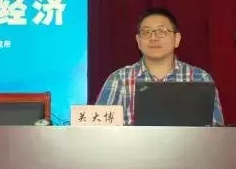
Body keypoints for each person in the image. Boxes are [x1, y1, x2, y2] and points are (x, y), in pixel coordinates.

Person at [95, 7, 224, 126]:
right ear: (138, 41)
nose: (153, 38)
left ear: (177, 39)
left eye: (161, 31)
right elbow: (98, 132)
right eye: (146, 32)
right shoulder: (119, 79)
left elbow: (216, 134)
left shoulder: (199, 78)